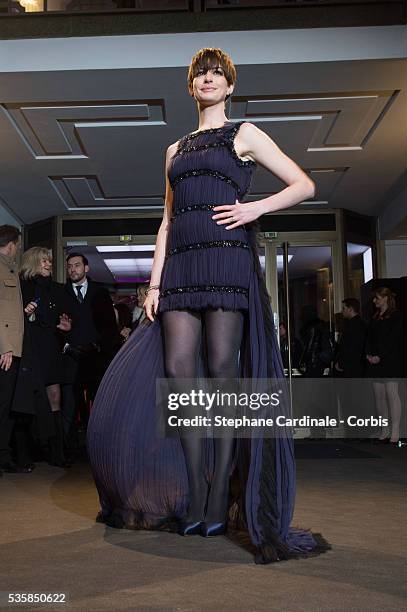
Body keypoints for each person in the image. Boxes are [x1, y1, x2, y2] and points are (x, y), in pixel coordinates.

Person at [87, 48, 328, 563]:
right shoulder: (173, 150)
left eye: (217, 74)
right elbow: (167, 222)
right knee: (180, 381)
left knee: (221, 379)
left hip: (225, 265)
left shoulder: (244, 134)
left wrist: (254, 208)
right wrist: (153, 285)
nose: (208, 80)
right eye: (201, 75)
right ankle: (198, 491)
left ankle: (219, 497)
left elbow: (304, 184)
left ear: (229, 86)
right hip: (180, 273)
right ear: (191, 86)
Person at [14, 247, 72, 468]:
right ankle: (28, 452)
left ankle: (57, 453)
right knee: (28, 401)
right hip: (29, 349)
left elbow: (56, 320)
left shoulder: (56, 290)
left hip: (49, 347)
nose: (49, 264)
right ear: (32, 263)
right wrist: (26, 315)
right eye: (44, 261)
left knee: (54, 396)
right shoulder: (23, 286)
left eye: (49, 261)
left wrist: (62, 326)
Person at [62, 252, 120, 450]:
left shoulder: (99, 292)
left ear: (86, 268)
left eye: (77, 265)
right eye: (69, 266)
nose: (72, 269)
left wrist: (101, 348)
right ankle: (70, 450)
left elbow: (110, 327)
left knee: (99, 403)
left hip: (96, 357)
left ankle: (100, 446)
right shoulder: (62, 292)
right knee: (71, 405)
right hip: (70, 357)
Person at [0, 225, 25, 473]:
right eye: (17, 244)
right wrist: (5, 347)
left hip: (11, 349)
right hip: (4, 351)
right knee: (2, 405)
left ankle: (4, 455)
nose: (17, 249)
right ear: (11, 244)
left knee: (6, 406)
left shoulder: (10, 268)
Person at [365, 287, 404, 444]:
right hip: (375, 360)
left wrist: (380, 355)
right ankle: (384, 428)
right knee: (379, 397)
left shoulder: (396, 316)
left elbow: (394, 339)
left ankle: (395, 429)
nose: (375, 301)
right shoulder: (375, 317)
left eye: (377, 298)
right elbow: (370, 338)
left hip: (389, 360)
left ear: (386, 298)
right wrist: (368, 354)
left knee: (391, 393)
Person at [334, 298, 367, 437]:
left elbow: (350, 348)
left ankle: (354, 432)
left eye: (344, 308)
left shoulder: (353, 326)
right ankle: (356, 431)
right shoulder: (360, 324)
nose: (342, 311)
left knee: (351, 401)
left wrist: (341, 362)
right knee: (354, 400)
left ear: (350, 308)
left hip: (351, 368)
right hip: (356, 367)